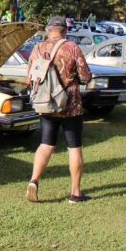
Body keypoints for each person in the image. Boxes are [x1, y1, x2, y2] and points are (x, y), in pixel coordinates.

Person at [26, 16, 93, 204]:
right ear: (64, 30)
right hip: (70, 105)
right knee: (74, 147)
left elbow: (29, 78)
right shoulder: (71, 47)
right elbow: (86, 76)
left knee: (46, 144)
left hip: (46, 104)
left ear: (48, 30)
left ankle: (34, 180)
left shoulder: (37, 49)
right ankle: (76, 193)